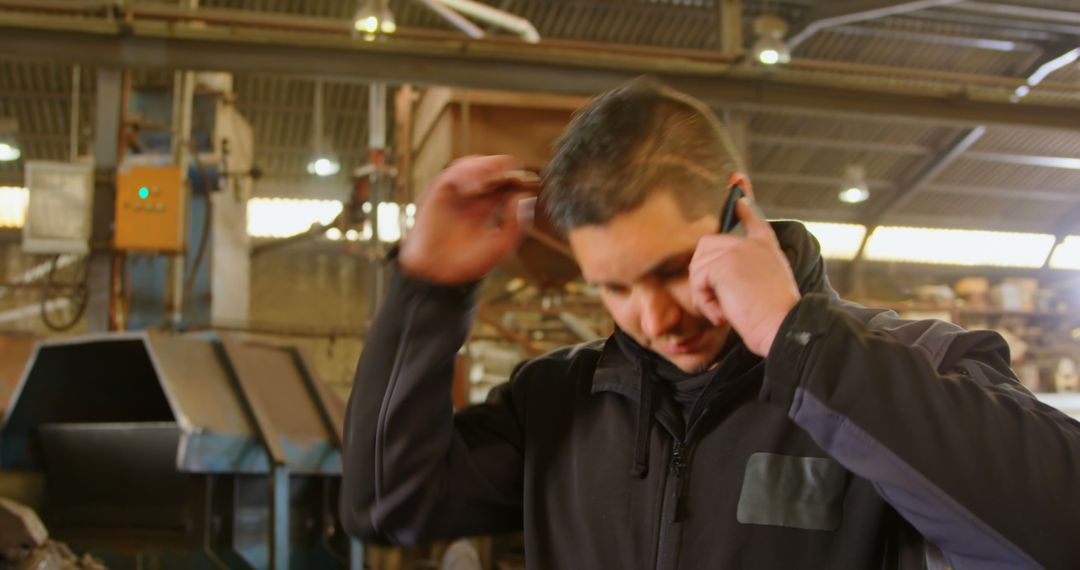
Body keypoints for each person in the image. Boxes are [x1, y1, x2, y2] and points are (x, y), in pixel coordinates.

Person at [340, 78, 1080, 569]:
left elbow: (1057, 533)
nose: (656, 318)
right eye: (616, 287)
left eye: (670, 269)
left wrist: (801, 343)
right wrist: (427, 292)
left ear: (737, 206)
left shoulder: (917, 361)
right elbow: (388, 502)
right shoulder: (559, 403)